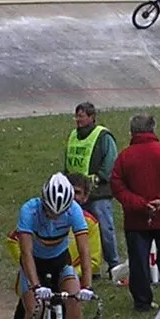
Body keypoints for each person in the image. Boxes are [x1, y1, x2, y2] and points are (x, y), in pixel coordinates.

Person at [16, 172, 94, 319]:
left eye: (59, 213)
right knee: (36, 308)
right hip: (34, 264)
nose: (54, 217)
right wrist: (35, 286)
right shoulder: (29, 210)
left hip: (60, 262)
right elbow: (26, 253)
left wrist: (87, 285)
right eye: (50, 212)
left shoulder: (74, 210)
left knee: (74, 302)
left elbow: (85, 250)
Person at [112, 112, 160, 311]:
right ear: (153, 128)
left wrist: (138, 203)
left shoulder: (124, 157)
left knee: (139, 260)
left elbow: (117, 186)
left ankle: (142, 300)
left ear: (132, 131)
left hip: (136, 220)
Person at [65, 101, 120, 272]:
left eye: (81, 116)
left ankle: (113, 264)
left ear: (92, 117)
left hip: (98, 193)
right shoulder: (73, 135)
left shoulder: (103, 137)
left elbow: (111, 161)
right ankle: (88, 265)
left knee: (104, 228)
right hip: (76, 193)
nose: (78, 120)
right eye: (77, 116)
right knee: (81, 230)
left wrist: (99, 178)